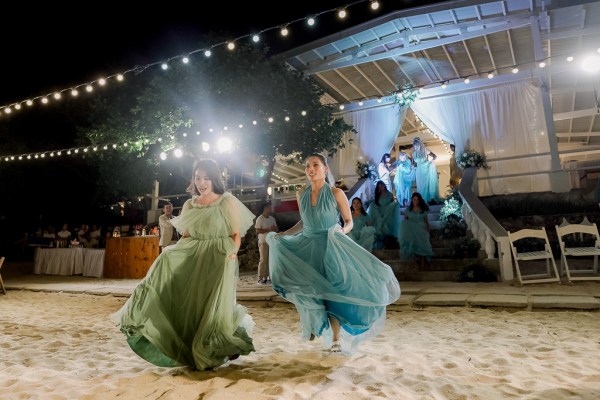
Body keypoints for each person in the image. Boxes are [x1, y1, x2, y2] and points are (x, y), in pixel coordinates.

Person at [112, 158, 256, 370]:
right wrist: (172, 252)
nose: (202, 183)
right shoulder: (190, 204)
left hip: (219, 255)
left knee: (212, 306)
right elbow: (186, 236)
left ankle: (217, 347)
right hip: (195, 254)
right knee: (189, 298)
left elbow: (235, 234)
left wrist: (232, 253)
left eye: (206, 178)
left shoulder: (226, 201)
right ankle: (190, 347)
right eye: (198, 178)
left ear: (214, 178)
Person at [266, 153, 400, 354]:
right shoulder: (301, 193)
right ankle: (315, 324)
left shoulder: (336, 192)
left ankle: (336, 341)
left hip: (331, 245)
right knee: (311, 289)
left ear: (325, 169)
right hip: (309, 245)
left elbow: (349, 222)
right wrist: (283, 234)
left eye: (315, 165)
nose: (310, 169)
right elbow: (304, 222)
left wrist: (342, 231)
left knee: (334, 291)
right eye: (307, 166)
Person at [398, 192, 434, 268]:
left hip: (421, 230)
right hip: (412, 231)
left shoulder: (422, 210)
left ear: (419, 200)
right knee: (412, 247)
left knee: (423, 248)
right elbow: (405, 222)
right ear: (412, 200)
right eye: (414, 199)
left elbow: (426, 221)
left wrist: (428, 231)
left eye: (417, 200)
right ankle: (413, 268)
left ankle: (422, 268)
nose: (415, 201)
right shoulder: (408, 210)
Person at [367, 180, 401, 250]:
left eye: (381, 186)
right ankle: (381, 243)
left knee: (395, 204)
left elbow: (392, 204)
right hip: (379, 212)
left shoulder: (389, 194)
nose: (381, 188)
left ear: (384, 185)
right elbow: (375, 204)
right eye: (379, 187)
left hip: (388, 213)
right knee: (372, 205)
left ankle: (387, 243)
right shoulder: (377, 195)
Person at [254, 202, 278, 285]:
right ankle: (260, 278)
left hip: (271, 242)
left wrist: (274, 229)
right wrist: (268, 229)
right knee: (263, 259)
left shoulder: (272, 218)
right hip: (263, 242)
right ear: (264, 208)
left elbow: (276, 228)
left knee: (269, 260)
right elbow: (257, 230)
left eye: (270, 207)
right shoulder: (260, 219)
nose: (270, 209)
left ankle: (267, 277)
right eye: (268, 207)